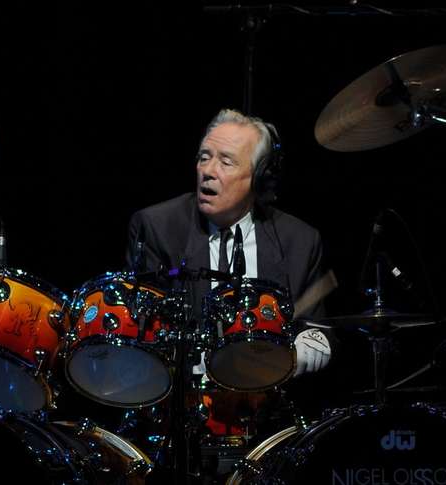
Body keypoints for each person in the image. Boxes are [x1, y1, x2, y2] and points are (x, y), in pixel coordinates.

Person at [124, 108, 337, 482]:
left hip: (270, 422)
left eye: (225, 161)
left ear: (259, 177)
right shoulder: (156, 226)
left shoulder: (300, 240)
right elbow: (144, 327)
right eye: (204, 157)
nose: (208, 171)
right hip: (182, 421)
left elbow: (316, 325)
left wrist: (313, 340)